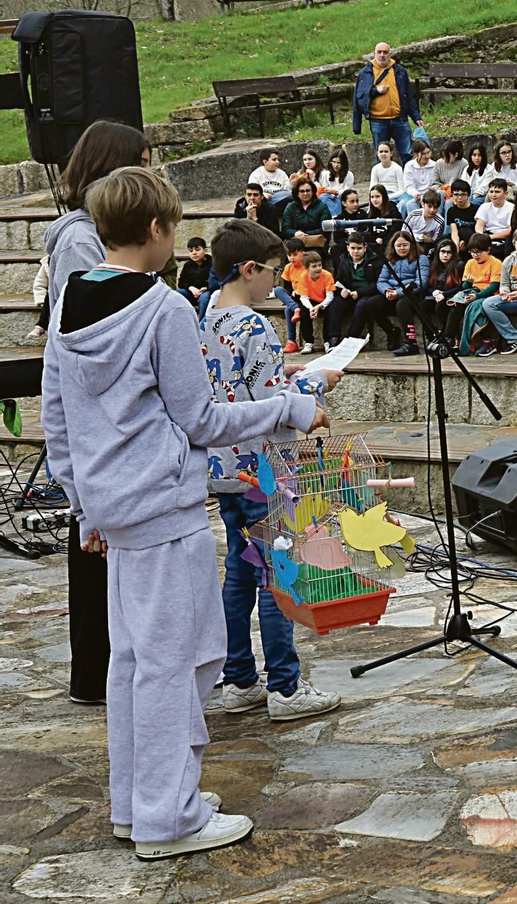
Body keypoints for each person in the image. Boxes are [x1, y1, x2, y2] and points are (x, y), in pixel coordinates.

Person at [43, 167, 327, 858]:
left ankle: (138, 803)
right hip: (163, 508)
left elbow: (57, 415)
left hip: (115, 510)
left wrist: (84, 507)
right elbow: (202, 420)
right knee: (177, 662)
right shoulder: (162, 307)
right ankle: (168, 817)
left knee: (134, 661)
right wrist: (292, 408)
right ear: (156, 229)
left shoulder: (70, 297)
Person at [201, 219, 343, 726]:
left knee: (239, 574)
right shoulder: (256, 325)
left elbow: (238, 383)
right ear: (248, 269)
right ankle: (285, 685)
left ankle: (239, 679)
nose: (278, 281)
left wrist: (288, 375)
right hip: (264, 469)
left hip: (225, 468)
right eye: (274, 271)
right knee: (277, 574)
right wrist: (316, 384)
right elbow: (270, 405)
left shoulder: (207, 315)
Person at [43, 119, 152, 705]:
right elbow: (86, 329)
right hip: (99, 415)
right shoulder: (81, 241)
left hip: (108, 413)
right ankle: (94, 674)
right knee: (93, 554)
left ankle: (108, 670)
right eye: (143, 166)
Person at [352, 41, 420, 161]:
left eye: (385, 52)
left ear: (390, 55)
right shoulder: (365, 73)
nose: (382, 55)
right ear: (374, 54)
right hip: (378, 121)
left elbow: (409, 96)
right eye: (379, 52)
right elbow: (359, 98)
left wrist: (416, 117)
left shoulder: (400, 71)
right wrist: (376, 91)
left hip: (400, 119)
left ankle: (408, 174)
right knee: (382, 157)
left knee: (407, 154)